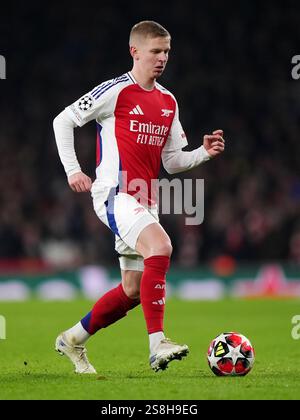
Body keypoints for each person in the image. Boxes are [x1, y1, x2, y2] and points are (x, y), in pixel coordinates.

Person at [53, 20, 225, 374]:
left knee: (132, 290)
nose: (162, 58)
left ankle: (72, 339)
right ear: (135, 51)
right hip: (115, 194)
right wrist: (73, 170)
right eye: (155, 52)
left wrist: (203, 153)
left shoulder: (168, 100)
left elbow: (172, 161)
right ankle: (157, 343)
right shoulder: (115, 91)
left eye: (166, 52)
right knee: (161, 247)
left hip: (146, 199)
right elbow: (63, 121)